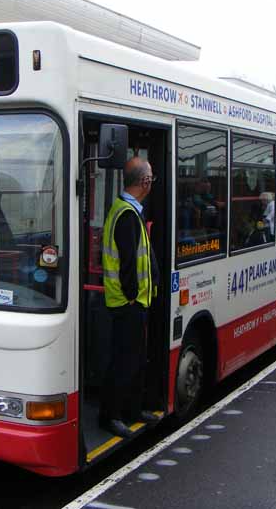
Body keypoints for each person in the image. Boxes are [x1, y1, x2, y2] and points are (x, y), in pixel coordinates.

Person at [100, 157, 159, 438]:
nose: (152, 183)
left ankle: (133, 410)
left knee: (135, 360)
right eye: (151, 178)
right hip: (126, 303)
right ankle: (110, 416)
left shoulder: (128, 210)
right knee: (123, 362)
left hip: (133, 302)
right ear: (144, 183)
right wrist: (134, 297)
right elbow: (126, 265)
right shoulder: (126, 214)